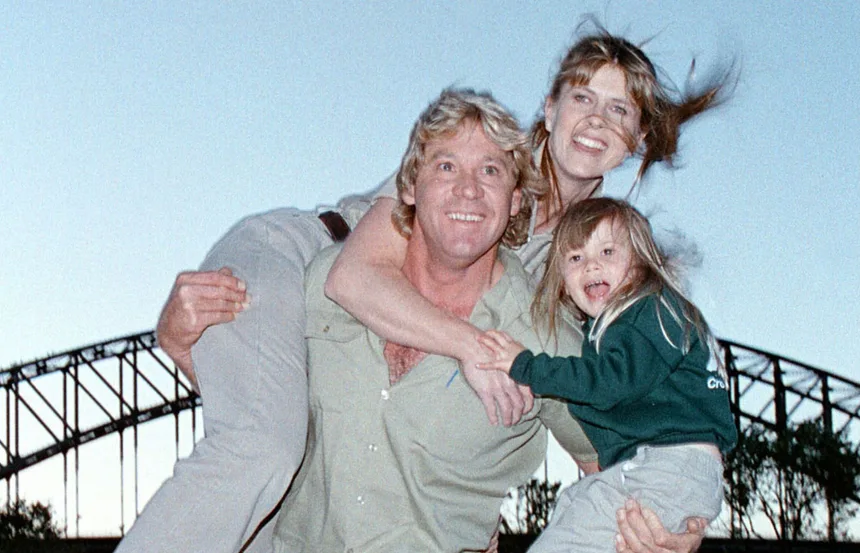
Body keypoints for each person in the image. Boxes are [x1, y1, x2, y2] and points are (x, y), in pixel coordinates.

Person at [139, 27, 730, 553]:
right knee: (262, 451)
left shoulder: (593, 258)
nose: (598, 120)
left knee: (288, 486)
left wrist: (670, 507)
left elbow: (625, 402)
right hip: (303, 253)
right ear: (549, 109)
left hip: (348, 339)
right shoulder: (479, 152)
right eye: (583, 98)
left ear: (639, 139)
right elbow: (352, 277)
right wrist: (474, 347)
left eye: (620, 111)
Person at [268, 87, 599, 553]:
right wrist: (185, 344)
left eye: (490, 170)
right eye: (446, 166)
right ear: (407, 188)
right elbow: (259, 402)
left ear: (516, 201)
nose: (468, 188)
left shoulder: (544, 339)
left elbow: (617, 462)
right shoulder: (326, 282)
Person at [476, 197, 738, 553]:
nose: (591, 265)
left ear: (641, 262)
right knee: (574, 506)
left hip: (668, 465)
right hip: (658, 467)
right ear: (562, 279)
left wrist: (525, 366)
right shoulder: (619, 324)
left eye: (608, 252)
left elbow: (609, 382)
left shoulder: (650, 310)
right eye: (575, 257)